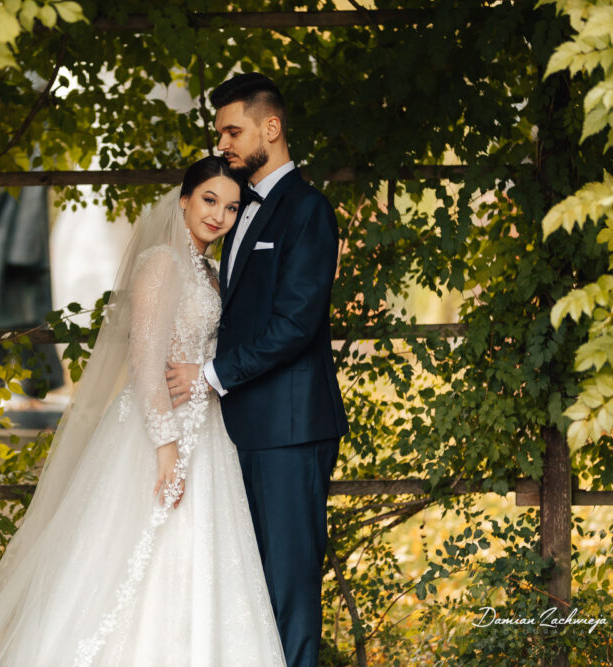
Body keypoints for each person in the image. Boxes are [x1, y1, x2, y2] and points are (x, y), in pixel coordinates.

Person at [0, 155, 287, 666]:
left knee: (202, 559)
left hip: (207, 432)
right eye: (210, 200)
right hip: (156, 432)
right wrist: (165, 446)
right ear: (185, 199)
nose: (219, 216)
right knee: (132, 560)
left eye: (231, 208)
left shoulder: (211, 274)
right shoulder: (161, 263)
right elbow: (144, 361)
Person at [167, 73, 349, 667]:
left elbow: (295, 324)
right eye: (220, 133)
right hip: (240, 428)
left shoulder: (308, 210)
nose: (222, 144)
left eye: (232, 131)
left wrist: (209, 375)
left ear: (271, 128)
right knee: (246, 585)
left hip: (290, 428)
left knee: (289, 585)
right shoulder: (237, 208)